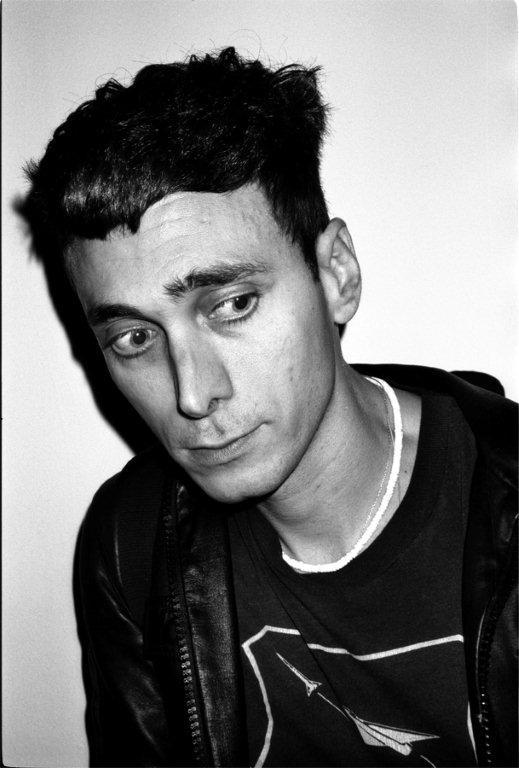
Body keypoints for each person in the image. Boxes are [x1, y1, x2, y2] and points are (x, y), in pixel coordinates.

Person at [24, 48, 517, 768]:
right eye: (134, 337)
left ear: (336, 274)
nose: (193, 395)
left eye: (232, 304)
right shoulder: (132, 540)